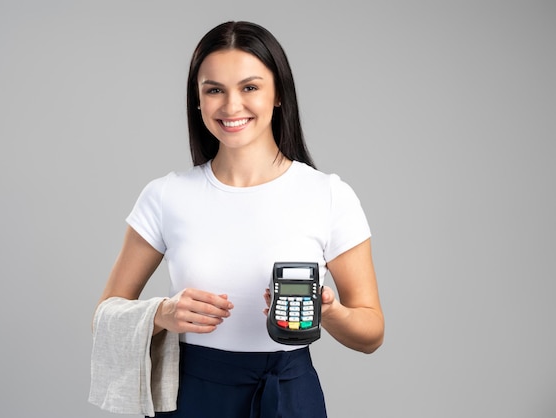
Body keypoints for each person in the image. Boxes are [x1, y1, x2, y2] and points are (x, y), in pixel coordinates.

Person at [95, 20, 384, 418]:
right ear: (198, 100)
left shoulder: (329, 195)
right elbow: (104, 316)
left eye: (250, 87)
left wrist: (328, 312)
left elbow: (371, 334)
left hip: (289, 396)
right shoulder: (165, 196)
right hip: (192, 397)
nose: (231, 106)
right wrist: (162, 313)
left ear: (278, 93)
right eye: (214, 90)